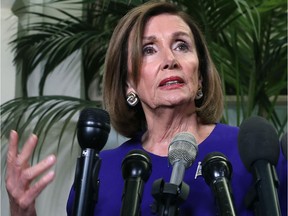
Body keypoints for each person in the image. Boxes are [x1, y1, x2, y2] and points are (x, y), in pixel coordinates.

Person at [6, 1, 287, 216]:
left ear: (199, 76)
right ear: (129, 83)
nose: (170, 59)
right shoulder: (101, 173)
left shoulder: (252, 154)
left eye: (181, 45)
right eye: (149, 49)